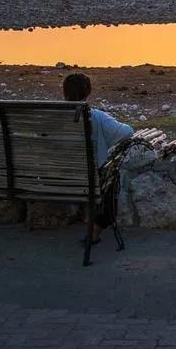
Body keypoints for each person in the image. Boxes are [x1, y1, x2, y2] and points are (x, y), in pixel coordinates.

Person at [62, 72, 134, 243]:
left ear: (64, 92)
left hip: (56, 178)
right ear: (88, 93)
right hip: (89, 180)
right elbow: (127, 132)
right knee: (112, 178)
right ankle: (97, 227)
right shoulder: (96, 116)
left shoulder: (50, 116)